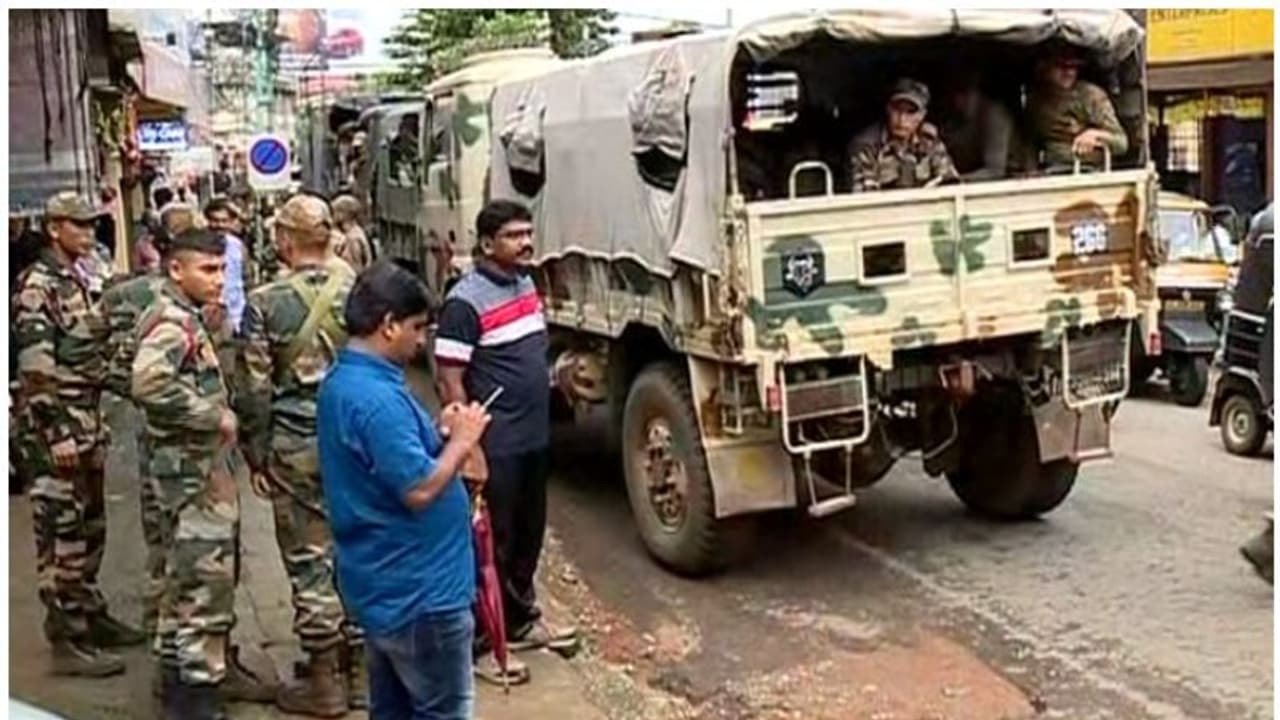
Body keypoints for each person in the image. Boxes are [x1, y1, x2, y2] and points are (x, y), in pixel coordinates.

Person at [317, 261, 491, 719]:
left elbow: (388, 459)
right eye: (417, 328)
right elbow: (417, 489)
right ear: (389, 325)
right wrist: (463, 441)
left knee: (394, 708)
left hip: (385, 583)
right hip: (419, 593)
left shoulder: (348, 382)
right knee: (440, 710)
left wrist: (437, 433)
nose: (422, 341)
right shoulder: (376, 400)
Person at [132, 227, 276, 718]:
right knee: (203, 593)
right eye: (207, 269)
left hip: (190, 471)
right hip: (193, 479)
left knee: (183, 587)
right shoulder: (173, 321)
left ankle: (177, 690)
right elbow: (148, 384)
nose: (218, 279)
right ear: (177, 270)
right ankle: (197, 703)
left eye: (221, 269)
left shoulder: (182, 314)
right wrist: (213, 416)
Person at [434, 200, 578, 686]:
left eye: (527, 234)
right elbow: (449, 379)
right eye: (514, 236)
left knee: (528, 534)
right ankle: (481, 643)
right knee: (489, 543)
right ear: (486, 244)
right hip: (495, 443)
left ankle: (518, 621)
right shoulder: (464, 302)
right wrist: (468, 446)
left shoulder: (525, 284)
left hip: (533, 437)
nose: (525, 243)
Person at [236, 195, 365, 715]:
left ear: (285, 239)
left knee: (309, 559)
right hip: (357, 441)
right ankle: (364, 673)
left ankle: (324, 679)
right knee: (359, 547)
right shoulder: (359, 290)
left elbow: (254, 389)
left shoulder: (265, 302)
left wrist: (256, 453)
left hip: (297, 445)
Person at [13, 191, 147, 677]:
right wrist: (57, 433)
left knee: (91, 527)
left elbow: (89, 353)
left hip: (86, 421)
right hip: (57, 430)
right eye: (80, 225)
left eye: (92, 225)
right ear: (55, 228)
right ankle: (66, 638)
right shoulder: (38, 287)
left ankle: (89, 613)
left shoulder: (79, 278)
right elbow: (36, 368)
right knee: (61, 534)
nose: (89, 234)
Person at [98, 204, 192, 652]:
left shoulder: (126, 295)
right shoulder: (179, 304)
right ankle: (175, 642)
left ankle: (163, 630)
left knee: (162, 531)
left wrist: (119, 384)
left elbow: (88, 350)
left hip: (151, 423)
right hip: (178, 430)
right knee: (188, 538)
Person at [1027, 43, 1129, 171]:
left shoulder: (1090, 96)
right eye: (1061, 66)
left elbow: (1121, 143)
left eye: (1073, 67)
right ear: (1044, 67)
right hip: (1050, 169)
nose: (1069, 72)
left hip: (1087, 170)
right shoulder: (1035, 99)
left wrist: (1095, 135)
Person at [849, 78, 959, 192]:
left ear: (922, 115)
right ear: (888, 109)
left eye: (910, 112)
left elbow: (951, 184)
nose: (902, 119)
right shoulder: (867, 146)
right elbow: (865, 195)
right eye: (897, 110)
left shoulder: (929, 140)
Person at [936, 71, 1019, 181]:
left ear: (977, 93)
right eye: (956, 95)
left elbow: (995, 171)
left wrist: (957, 181)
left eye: (964, 94)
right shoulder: (958, 119)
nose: (959, 102)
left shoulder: (995, 117)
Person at [204, 197, 249, 337]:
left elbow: (247, 278)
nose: (219, 225)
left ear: (231, 222)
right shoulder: (200, 247)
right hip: (211, 316)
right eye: (215, 220)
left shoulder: (238, 246)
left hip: (237, 314)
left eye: (224, 221)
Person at [333, 194, 373, 272]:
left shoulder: (353, 237)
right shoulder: (355, 231)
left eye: (336, 211)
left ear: (343, 214)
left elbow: (356, 264)